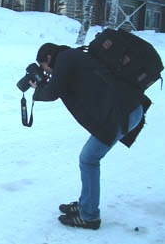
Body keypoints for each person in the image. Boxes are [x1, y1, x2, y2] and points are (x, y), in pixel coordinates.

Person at [30, 43, 151, 230]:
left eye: (44, 67)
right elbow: (62, 86)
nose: (46, 72)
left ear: (48, 58)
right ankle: (86, 204)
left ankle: (90, 216)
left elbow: (53, 92)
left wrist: (37, 90)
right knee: (88, 159)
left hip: (122, 113)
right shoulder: (71, 57)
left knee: (89, 159)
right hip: (127, 110)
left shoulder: (65, 58)